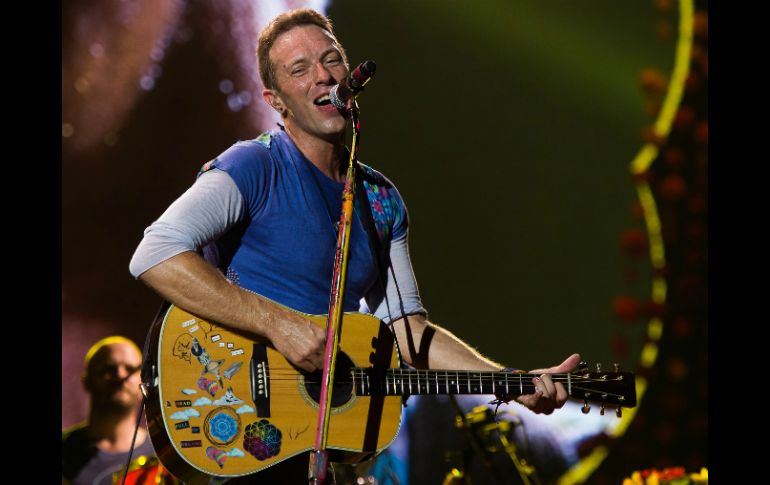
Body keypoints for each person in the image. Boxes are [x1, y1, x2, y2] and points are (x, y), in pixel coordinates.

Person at [129, 7, 580, 482]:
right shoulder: (251, 166)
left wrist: (510, 381)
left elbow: (406, 331)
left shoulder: (381, 200)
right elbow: (155, 253)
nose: (323, 75)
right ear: (276, 100)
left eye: (332, 60)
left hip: (317, 445)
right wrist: (277, 325)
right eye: (299, 69)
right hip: (240, 419)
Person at [62, 336, 156, 485]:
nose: (120, 375)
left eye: (130, 369)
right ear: (86, 380)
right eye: (108, 369)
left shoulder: (162, 458)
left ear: (143, 382)